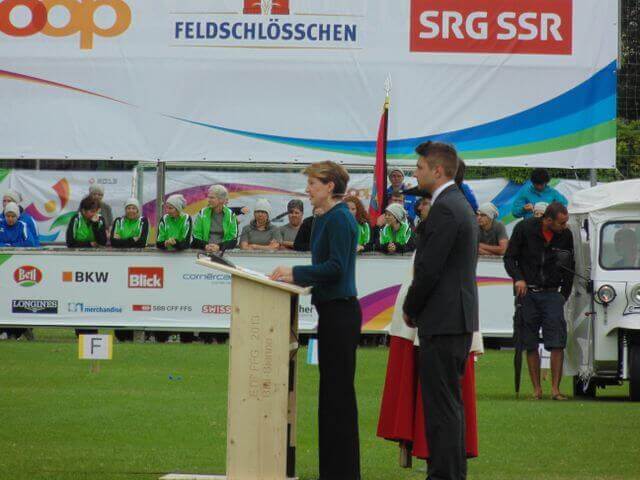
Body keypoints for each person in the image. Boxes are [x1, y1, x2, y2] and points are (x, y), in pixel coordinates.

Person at [271, 161, 361, 480]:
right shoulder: (324, 218)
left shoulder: (340, 218)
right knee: (330, 396)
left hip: (341, 313)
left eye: (313, 183)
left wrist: (295, 272)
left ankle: (342, 472)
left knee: (338, 396)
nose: (308, 189)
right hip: (330, 311)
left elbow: (336, 267)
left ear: (330, 186)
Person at [402, 141, 479, 480]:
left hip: (444, 319)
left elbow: (429, 268)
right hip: (453, 317)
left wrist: (410, 307)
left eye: (420, 168)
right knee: (449, 406)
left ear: (438, 170)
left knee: (441, 408)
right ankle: (450, 473)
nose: (415, 173)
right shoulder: (455, 203)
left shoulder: (446, 208)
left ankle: (444, 474)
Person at [503, 202, 574, 401]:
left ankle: (555, 390)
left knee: (557, 342)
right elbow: (509, 258)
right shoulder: (524, 228)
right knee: (530, 342)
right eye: (561, 223)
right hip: (528, 293)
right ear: (548, 220)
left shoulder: (566, 236)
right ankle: (537, 390)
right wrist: (518, 278)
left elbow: (570, 266)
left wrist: (563, 295)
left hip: (553, 294)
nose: (565, 226)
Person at [192, 185, 239, 252]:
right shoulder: (202, 212)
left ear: (221, 200)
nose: (208, 200)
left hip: (222, 252)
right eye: (208, 197)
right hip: (203, 250)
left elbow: (233, 239)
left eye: (212, 198)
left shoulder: (230, 214)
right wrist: (205, 246)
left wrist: (219, 247)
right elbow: (196, 235)